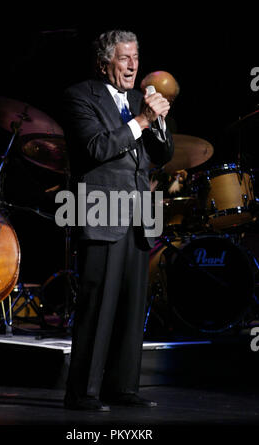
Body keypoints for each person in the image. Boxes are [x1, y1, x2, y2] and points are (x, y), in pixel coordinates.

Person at [61, 29, 174, 412]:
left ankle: (122, 387)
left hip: (139, 213)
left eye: (136, 58)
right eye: (124, 58)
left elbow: (162, 153)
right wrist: (142, 120)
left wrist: (157, 121)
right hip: (101, 211)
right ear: (104, 62)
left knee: (131, 306)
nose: (132, 65)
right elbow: (96, 147)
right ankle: (82, 392)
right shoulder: (81, 96)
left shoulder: (140, 100)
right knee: (98, 306)